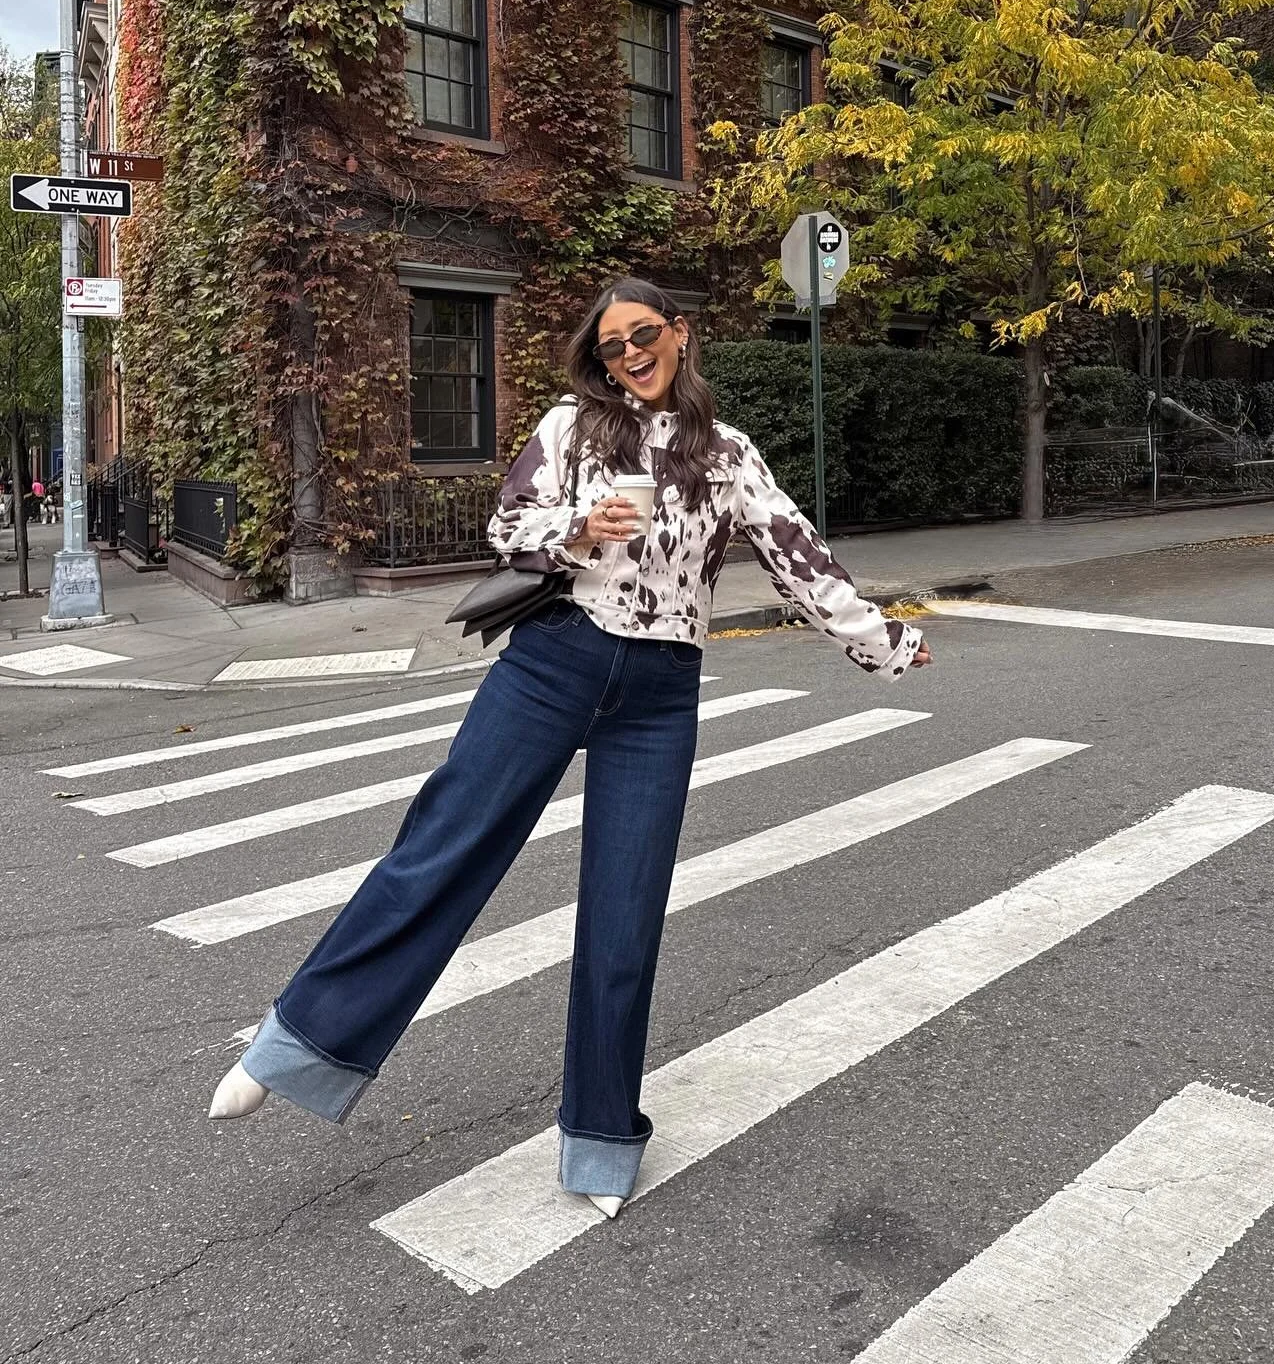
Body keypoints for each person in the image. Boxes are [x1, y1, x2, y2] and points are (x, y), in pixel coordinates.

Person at [209, 278, 930, 1220]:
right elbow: (506, 526)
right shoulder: (570, 430)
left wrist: (885, 639)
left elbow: (796, 554)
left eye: (643, 334)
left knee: (626, 913)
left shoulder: (728, 455)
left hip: (661, 693)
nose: (627, 353)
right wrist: (576, 528)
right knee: (444, 848)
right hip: (554, 663)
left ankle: (598, 1137)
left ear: (680, 333)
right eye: (609, 345)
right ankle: (295, 1043)